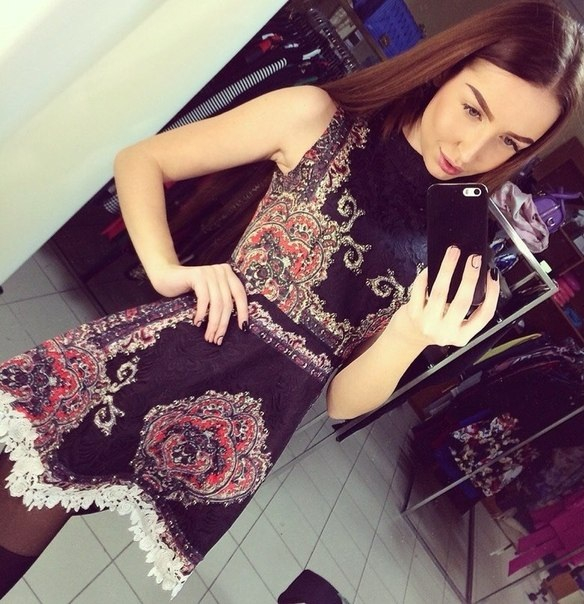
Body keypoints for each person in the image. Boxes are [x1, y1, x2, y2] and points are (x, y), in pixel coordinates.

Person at [1, 0, 583, 598]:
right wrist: (168, 269)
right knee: (18, 518)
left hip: (232, 443)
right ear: (446, 68)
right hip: (151, 367)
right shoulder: (321, 118)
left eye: (509, 141)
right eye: (472, 108)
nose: (473, 149)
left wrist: (413, 335)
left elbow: (342, 402)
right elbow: (141, 159)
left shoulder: (452, 243)